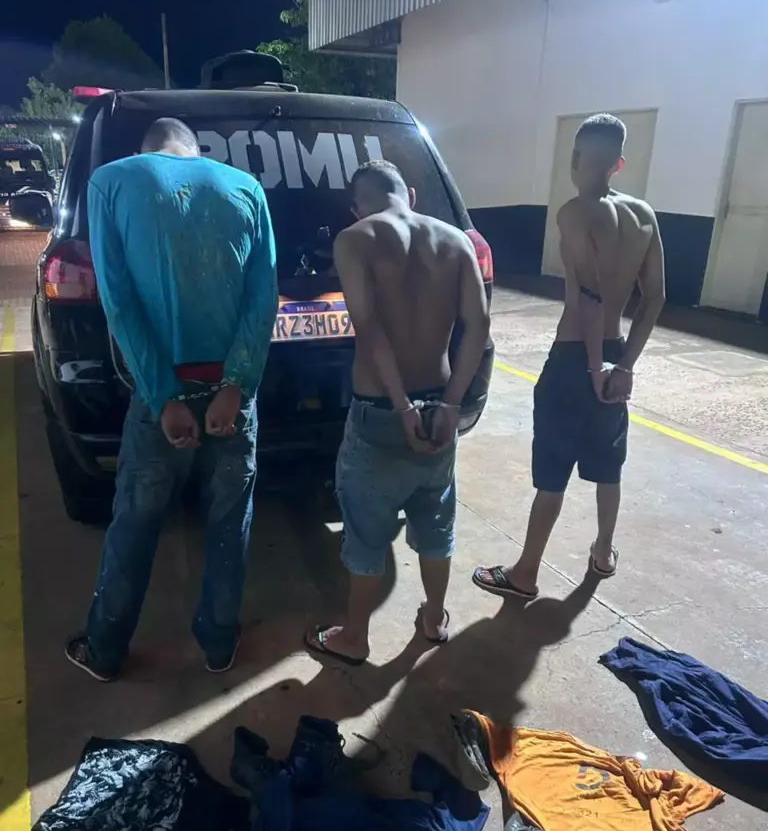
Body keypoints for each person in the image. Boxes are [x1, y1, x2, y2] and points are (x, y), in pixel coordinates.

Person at [66, 117, 278, 681]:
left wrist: (163, 397)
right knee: (229, 523)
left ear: (148, 149)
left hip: (163, 401)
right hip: (232, 401)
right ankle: (217, 644)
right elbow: (263, 301)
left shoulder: (112, 182)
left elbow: (118, 302)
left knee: (135, 523)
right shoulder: (246, 188)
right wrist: (235, 387)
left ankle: (105, 650)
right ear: (196, 150)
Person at [304, 160, 490, 665]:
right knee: (435, 518)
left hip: (380, 410)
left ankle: (354, 638)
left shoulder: (355, 239)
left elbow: (368, 327)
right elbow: (479, 325)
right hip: (440, 410)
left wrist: (402, 405)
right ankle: (433, 619)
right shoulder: (456, 241)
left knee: (366, 530)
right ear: (409, 193)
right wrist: (451, 404)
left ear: (357, 207)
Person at [474, 113, 665, 600]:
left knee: (554, 471)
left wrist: (595, 367)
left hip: (574, 359)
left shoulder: (575, 212)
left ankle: (525, 573)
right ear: (619, 163)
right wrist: (623, 366)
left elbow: (588, 295)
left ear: (576, 159)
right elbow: (655, 298)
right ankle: (602, 552)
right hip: (615, 352)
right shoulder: (643, 215)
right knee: (608, 462)